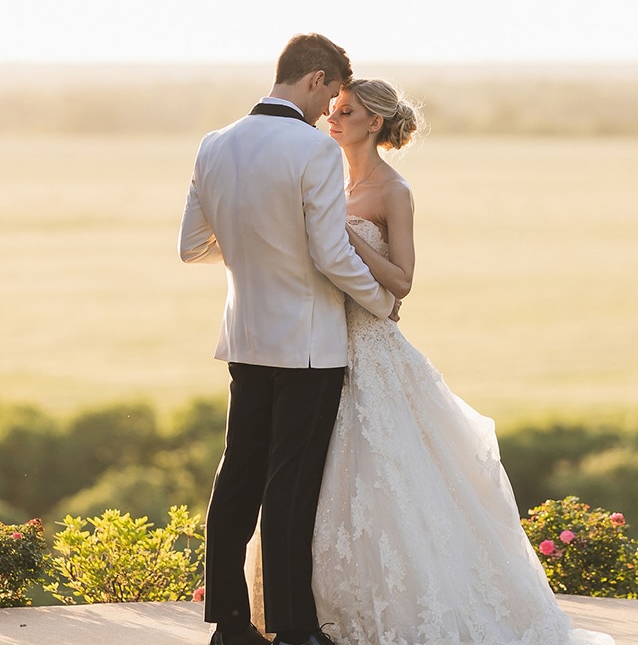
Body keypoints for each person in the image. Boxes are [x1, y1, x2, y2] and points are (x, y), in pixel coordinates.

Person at [310, 78, 615, 645]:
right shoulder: (327, 177)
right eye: (332, 110)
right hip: (323, 343)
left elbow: (402, 281)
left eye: (345, 112)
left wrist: (349, 244)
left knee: (387, 478)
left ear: (373, 122)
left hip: (372, 348)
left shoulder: (392, 190)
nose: (333, 119)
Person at [178, 36, 396, 645]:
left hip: (244, 339)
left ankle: (229, 624)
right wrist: (382, 303)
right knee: (290, 488)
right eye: (330, 95)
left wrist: (257, 245)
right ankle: (296, 632)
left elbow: (191, 244)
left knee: (237, 477)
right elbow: (330, 253)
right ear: (316, 78)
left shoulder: (214, 143)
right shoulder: (312, 150)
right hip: (307, 345)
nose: (330, 110)